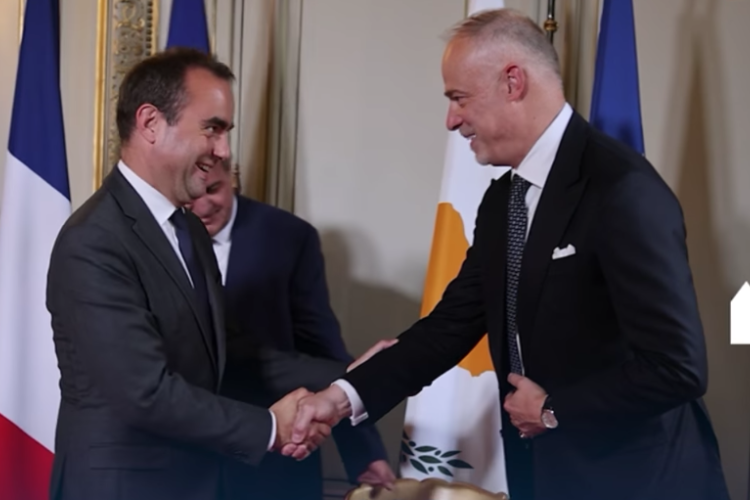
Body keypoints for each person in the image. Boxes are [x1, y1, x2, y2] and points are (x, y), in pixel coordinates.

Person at [289, 9, 730, 500]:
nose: (451, 120)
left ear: (513, 82)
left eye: (459, 98)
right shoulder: (504, 199)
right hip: (542, 477)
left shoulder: (622, 188)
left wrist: (553, 409)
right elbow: (450, 326)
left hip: (640, 482)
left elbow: (677, 367)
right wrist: (338, 399)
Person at [46, 48, 347, 500]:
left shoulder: (187, 228)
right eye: (212, 129)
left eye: (226, 133)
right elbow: (145, 392)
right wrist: (272, 427)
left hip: (196, 481)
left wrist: (351, 374)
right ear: (151, 123)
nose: (223, 151)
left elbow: (234, 353)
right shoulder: (94, 240)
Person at [186, 162, 395, 499]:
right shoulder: (155, 236)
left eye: (213, 190)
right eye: (191, 195)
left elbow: (321, 344)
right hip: (185, 459)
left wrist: (363, 452)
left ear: (231, 179)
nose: (203, 205)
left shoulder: (287, 235)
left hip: (276, 461)